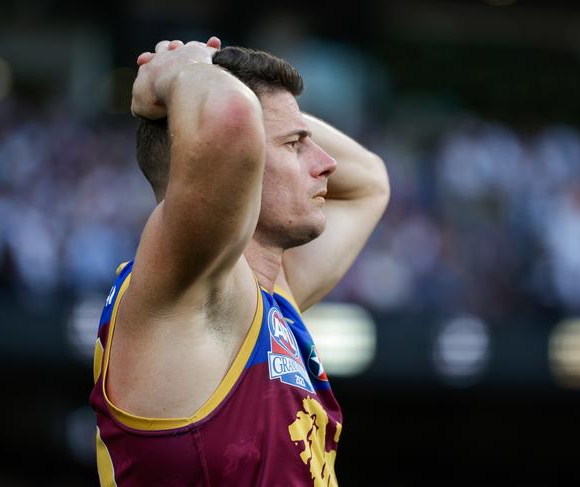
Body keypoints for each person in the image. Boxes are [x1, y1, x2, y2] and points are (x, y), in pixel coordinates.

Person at [90, 35, 389, 486]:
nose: (327, 164)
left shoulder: (270, 293)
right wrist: (180, 67)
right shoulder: (192, 288)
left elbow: (370, 181)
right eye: (294, 145)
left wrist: (216, 75)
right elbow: (229, 118)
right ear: (239, 158)